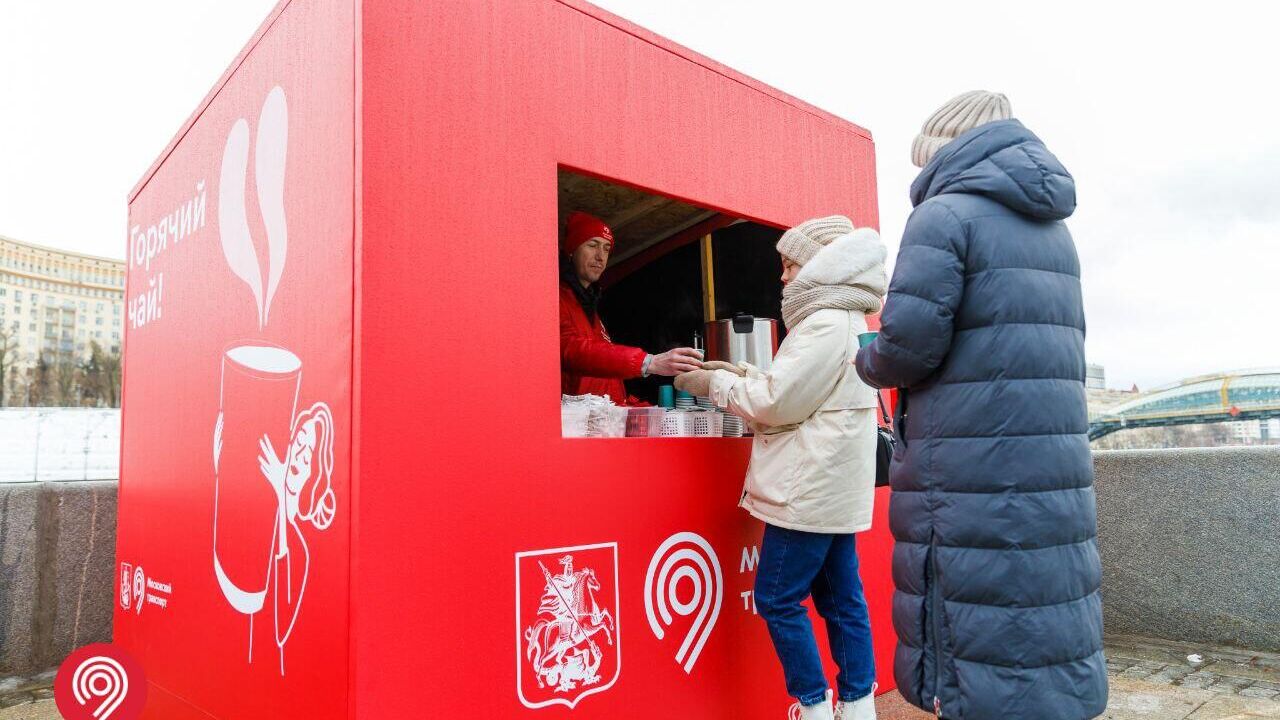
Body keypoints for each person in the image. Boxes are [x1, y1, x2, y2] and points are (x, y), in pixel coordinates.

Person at [855, 91, 1107, 720]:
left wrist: (865, 354)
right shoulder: (1054, 228)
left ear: (947, 148)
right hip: (1047, 467)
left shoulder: (943, 216)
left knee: (975, 628)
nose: (919, 176)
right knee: (1039, 617)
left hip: (966, 471)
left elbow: (906, 349)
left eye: (922, 160)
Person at [678, 216, 887, 720]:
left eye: (792, 265)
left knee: (776, 597)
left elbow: (776, 403)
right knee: (842, 602)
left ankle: (813, 705)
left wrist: (715, 387)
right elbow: (796, 390)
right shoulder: (848, 320)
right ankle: (857, 706)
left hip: (807, 490)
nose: (784, 277)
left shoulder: (822, 323)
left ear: (821, 265)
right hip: (833, 487)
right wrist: (739, 371)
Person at [559, 211, 703, 403]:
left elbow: (603, 377)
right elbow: (573, 351)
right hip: (574, 424)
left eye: (606, 248)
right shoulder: (556, 298)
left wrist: (634, 407)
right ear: (571, 250)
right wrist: (648, 362)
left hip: (600, 422)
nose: (600, 256)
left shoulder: (590, 305)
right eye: (592, 245)